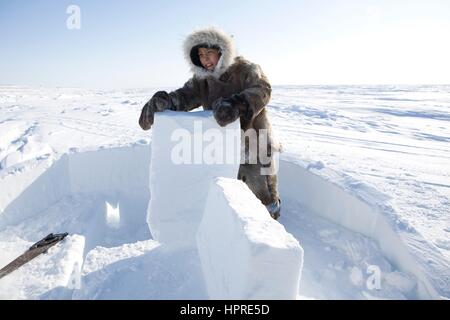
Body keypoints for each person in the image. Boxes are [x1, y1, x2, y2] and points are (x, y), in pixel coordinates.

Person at [139, 27, 282, 219]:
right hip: (222, 144)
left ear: (222, 51)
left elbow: (262, 89)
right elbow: (185, 96)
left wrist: (236, 104)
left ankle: (272, 224)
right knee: (231, 190)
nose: (205, 59)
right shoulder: (202, 80)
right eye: (200, 55)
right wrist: (165, 102)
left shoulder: (246, 69)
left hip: (254, 140)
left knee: (261, 192)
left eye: (209, 53)